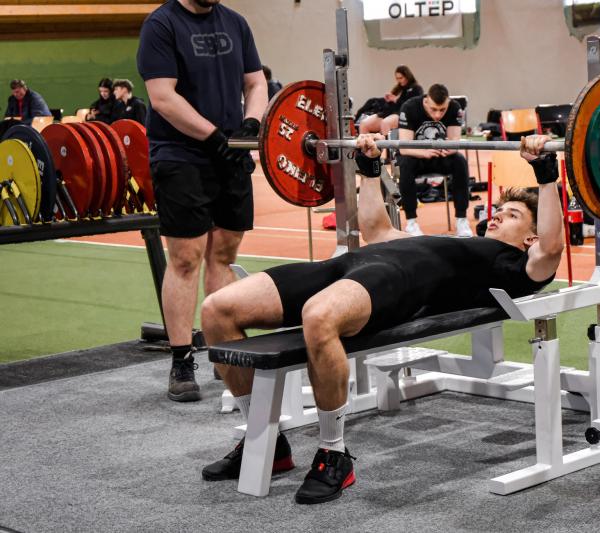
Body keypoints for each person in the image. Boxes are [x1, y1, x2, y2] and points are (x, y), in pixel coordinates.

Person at [200, 133, 564, 504]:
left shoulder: (513, 266)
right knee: (216, 309)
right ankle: (265, 441)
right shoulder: (458, 243)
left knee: (319, 316)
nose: (497, 215)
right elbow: (376, 230)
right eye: (499, 209)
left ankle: (333, 453)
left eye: (513, 215)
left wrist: (545, 173)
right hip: (345, 265)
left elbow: (552, 248)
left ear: (531, 238)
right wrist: (369, 167)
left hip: (396, 282)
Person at [137, 0, 267, 402]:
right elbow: (163, 98)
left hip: (230, 153)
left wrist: (251, 123)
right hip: (180, 154)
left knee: (224, 254)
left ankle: (221, 349)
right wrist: (214, 137)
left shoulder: (235, 23)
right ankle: (181, 359)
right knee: (185, 257)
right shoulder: (161, 25)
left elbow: (256, 82)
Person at [397, 83, 472, 237]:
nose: (438, 115)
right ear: (426, 101)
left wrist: (449, 148)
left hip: (439, 156)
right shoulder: (409, 107)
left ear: (448, 103)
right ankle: (411, 222)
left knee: (460, 161)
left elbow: (455, 141)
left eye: (442, 110)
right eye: (433, 109)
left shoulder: (454, 107)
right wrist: (424, 152)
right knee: (405, 164)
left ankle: (461, 219)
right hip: (416, 157)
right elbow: (404, 148)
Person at [358, 65, 422, 136]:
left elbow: (412, 105)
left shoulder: (416, 88)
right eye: (397, 78)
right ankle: (366, 142)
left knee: (385, 123)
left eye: (401, 78)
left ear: (407, 76)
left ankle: (385, 143)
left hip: (401, 114)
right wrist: (388, 99)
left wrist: (395, 99)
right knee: (364, 124)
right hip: (387, 112)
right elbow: (390, 104)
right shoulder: (398, 89)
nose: (399, 80)